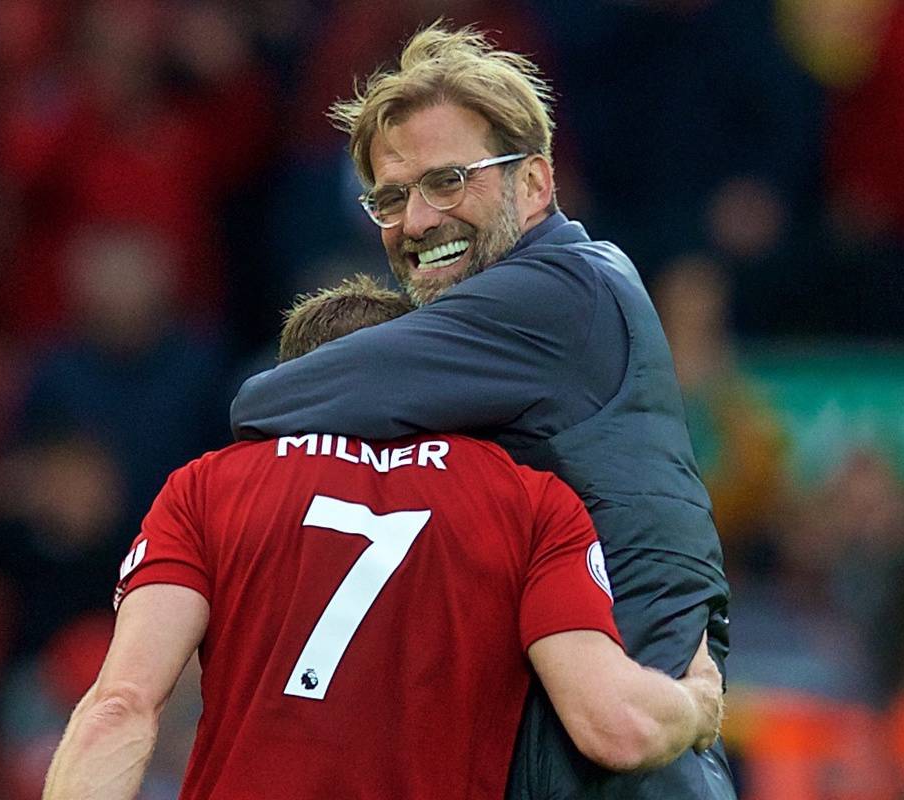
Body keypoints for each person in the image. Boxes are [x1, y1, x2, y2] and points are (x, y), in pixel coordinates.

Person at [230, 24, 734, 800]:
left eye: (448, 181)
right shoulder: (570, 296)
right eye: (392, 198)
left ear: (534, 184)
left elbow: (270, 397)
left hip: (620, 769)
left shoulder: (558, 292)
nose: (419, 222)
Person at [42, 277, 724, 800]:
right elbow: (614, 724)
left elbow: (122, 706)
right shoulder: (528, 499)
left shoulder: (207, 486)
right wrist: (694, 706)